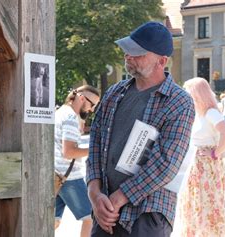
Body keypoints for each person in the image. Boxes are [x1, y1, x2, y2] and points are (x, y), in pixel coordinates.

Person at [86, 21, 195, 237]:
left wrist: (117, 200)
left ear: (161, 61)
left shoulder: (179, 102)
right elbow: (95, 145)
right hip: (105, 210)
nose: (128, 56)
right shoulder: (114, 93)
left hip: (147, 213)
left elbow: (165, 164)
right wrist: (95, 194)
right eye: (127, 50)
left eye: (137, 53)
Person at [176, 77, 225, 237]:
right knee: (194, 204)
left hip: (207, 165)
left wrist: (215, 153)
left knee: (207, 204)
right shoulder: (198, 113)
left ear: (197, 94)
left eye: (188, 92)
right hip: (195, 165)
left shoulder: (210, 112)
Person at [55, 85, 100, 237]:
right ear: (81, 98)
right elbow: (68, 152)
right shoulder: (70, 118)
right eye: (92, 104)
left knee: (52, 222)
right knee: (92, 217)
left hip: (56, 176)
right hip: (68, 178)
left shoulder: (61, 112)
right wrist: (94, 149)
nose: (92, 110)